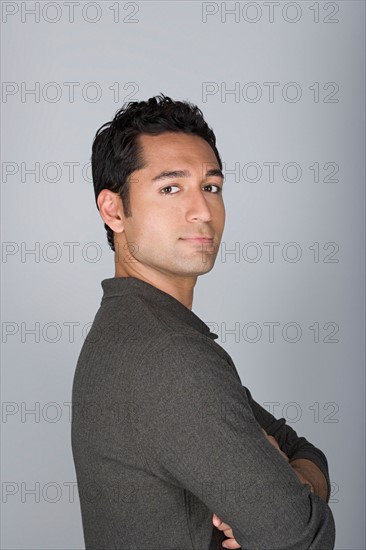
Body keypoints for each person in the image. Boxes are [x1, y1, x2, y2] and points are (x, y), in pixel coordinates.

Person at [71, 94, 335, 549]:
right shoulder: (168, 357)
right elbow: (304, 537)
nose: (203, 211)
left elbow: (302, 449)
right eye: (171, 188)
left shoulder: (137, 332)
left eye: (211, 186)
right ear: (114, 210)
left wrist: (295, 483)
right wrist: (292, 493)